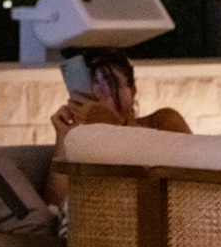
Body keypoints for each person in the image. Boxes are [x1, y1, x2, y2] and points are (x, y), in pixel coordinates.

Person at [44, 47, 190, 205]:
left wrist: (113, 126)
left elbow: (188, 174)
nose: (104, 91)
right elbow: (56, 203)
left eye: (111, 82)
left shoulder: (162, 120)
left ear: (132, 90)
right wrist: (64, 137)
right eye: (94, 83)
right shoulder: (82, 142)